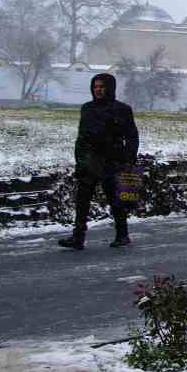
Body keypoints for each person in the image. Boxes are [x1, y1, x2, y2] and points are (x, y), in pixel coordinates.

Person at [59, 72, 139, 249]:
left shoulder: (122, 109)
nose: (98, 90)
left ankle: (122, 234)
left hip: (112, 160)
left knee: (115, 199)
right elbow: (81, 137)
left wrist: (128, 160)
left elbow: (132, 136)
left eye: (102, 87)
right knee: (82, 200)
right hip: (89, 161)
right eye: (95, 87)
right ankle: (78, 237)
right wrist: (80, 161)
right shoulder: (87, 108)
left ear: (110, 88)